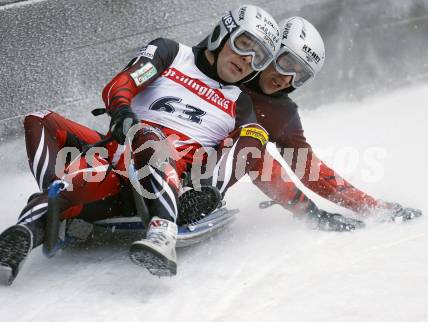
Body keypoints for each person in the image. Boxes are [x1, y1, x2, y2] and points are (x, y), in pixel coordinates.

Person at [0, 5, 281, 284]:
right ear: (223, 33)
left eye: (258, 59)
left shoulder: (240, 102)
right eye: (244, 45)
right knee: (40, 120)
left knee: (254, 134)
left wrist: (210, 190)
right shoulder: (171, 54)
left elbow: (254, 152)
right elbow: (122, 84)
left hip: (174, 177)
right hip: (117, 159)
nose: (246, 60)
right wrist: (122, 111)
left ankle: (165, 228)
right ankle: (30, 228)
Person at [181, 16, 422, 229]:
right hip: (164, 136)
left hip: (199, 174)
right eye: (286, 63)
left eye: (300, 75)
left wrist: (371, 207)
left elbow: (308, 169)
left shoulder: (282, 113)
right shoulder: (229, 62)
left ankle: (196, 197)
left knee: (253, 145)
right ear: (271, 50)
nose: (287, 79)